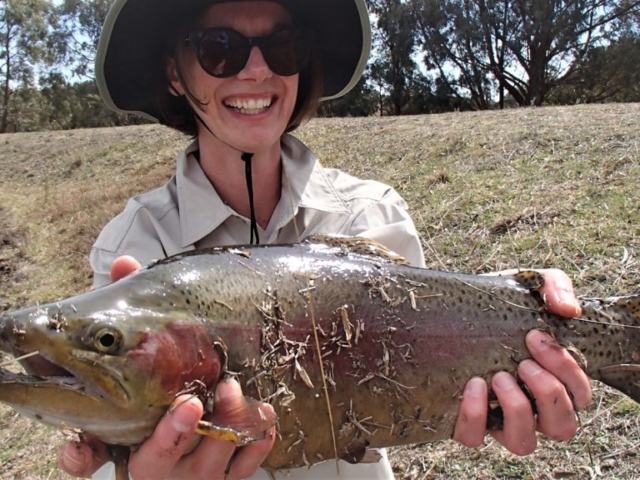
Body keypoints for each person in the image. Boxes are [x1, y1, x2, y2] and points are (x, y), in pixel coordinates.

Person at [57, 0, 592, 478]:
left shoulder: (372, 213)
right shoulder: (135, 244)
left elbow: (430, 346)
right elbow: (122, 424)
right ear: (176, 73)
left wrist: (523, 307)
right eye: (221, 49)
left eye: (282, 45)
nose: (258, 69)